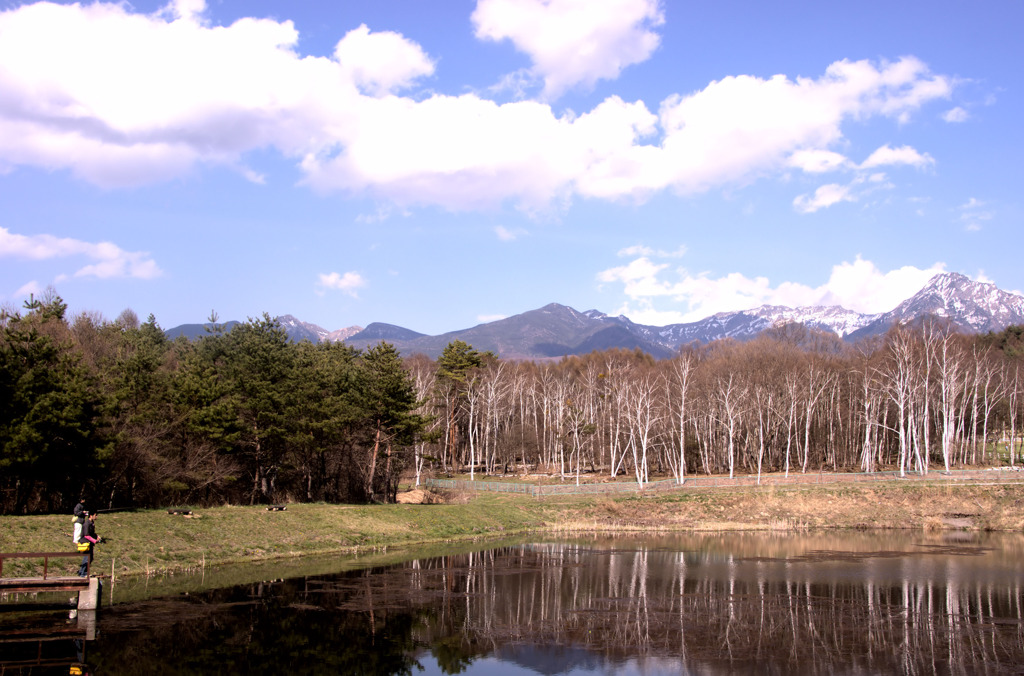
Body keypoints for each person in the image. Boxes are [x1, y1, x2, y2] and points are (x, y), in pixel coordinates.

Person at [77, 513, 100, 577]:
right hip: (85, 543)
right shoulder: (87, 524)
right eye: (95, 515)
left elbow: (92, 533)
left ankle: (82, 572)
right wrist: (94, 541)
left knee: (90, 558)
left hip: (90, 543)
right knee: (87, 558)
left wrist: (97, 536)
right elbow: (86, 535)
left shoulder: (91, 523)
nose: (96, 517)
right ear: (91, 515)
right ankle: (83, 573)